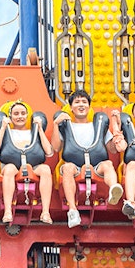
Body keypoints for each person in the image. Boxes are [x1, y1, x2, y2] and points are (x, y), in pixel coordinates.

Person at [50, 89, 122, 228]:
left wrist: (116, 128)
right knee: (67, 168)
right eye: (77, 102)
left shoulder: (98, 125)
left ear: (89, 107)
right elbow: (56, 147)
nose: (81, 105)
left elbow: (112, 149)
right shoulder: (66, 126)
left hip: (97, 166)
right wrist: (55, 125)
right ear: (71, 107)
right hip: (75, 166)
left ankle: (114, 189)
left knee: (108, 164)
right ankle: (72, 210)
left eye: (84, 102)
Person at [0, 101, 56, 224]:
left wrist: (40, 129)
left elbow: (49, 152)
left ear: (27, 115)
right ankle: (8, 211)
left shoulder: (33, 132)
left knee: (46, 169)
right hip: (12, 165)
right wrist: (3, 128)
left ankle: (45, 212)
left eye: (22, 113)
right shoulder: (7, 132)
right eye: (16, 114)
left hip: (33, 166)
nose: (20, 116)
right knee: (9, 169)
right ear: (10, 116)